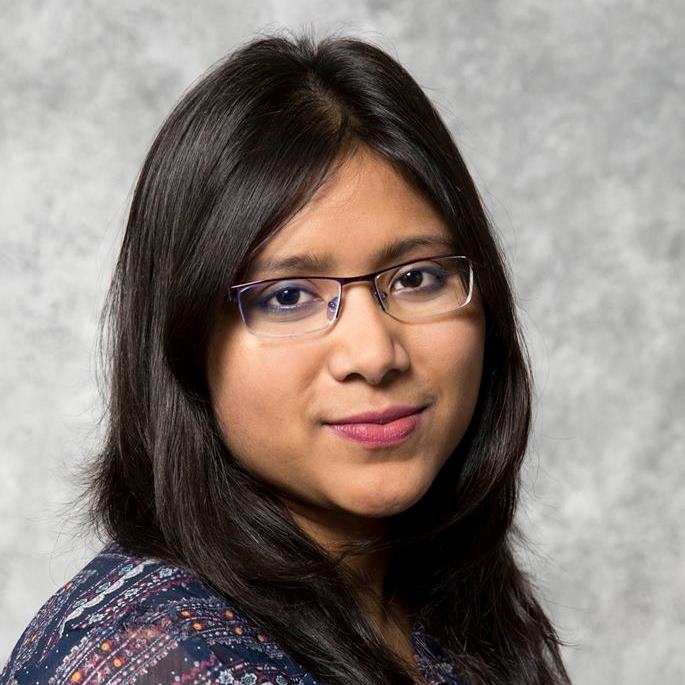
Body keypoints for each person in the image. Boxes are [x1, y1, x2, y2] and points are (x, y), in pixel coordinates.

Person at [1, 30, 571, 685]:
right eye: (289, 295)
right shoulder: (169, 663)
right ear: (185, 341)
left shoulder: (427, 603)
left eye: (416, 278)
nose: (373, 352)